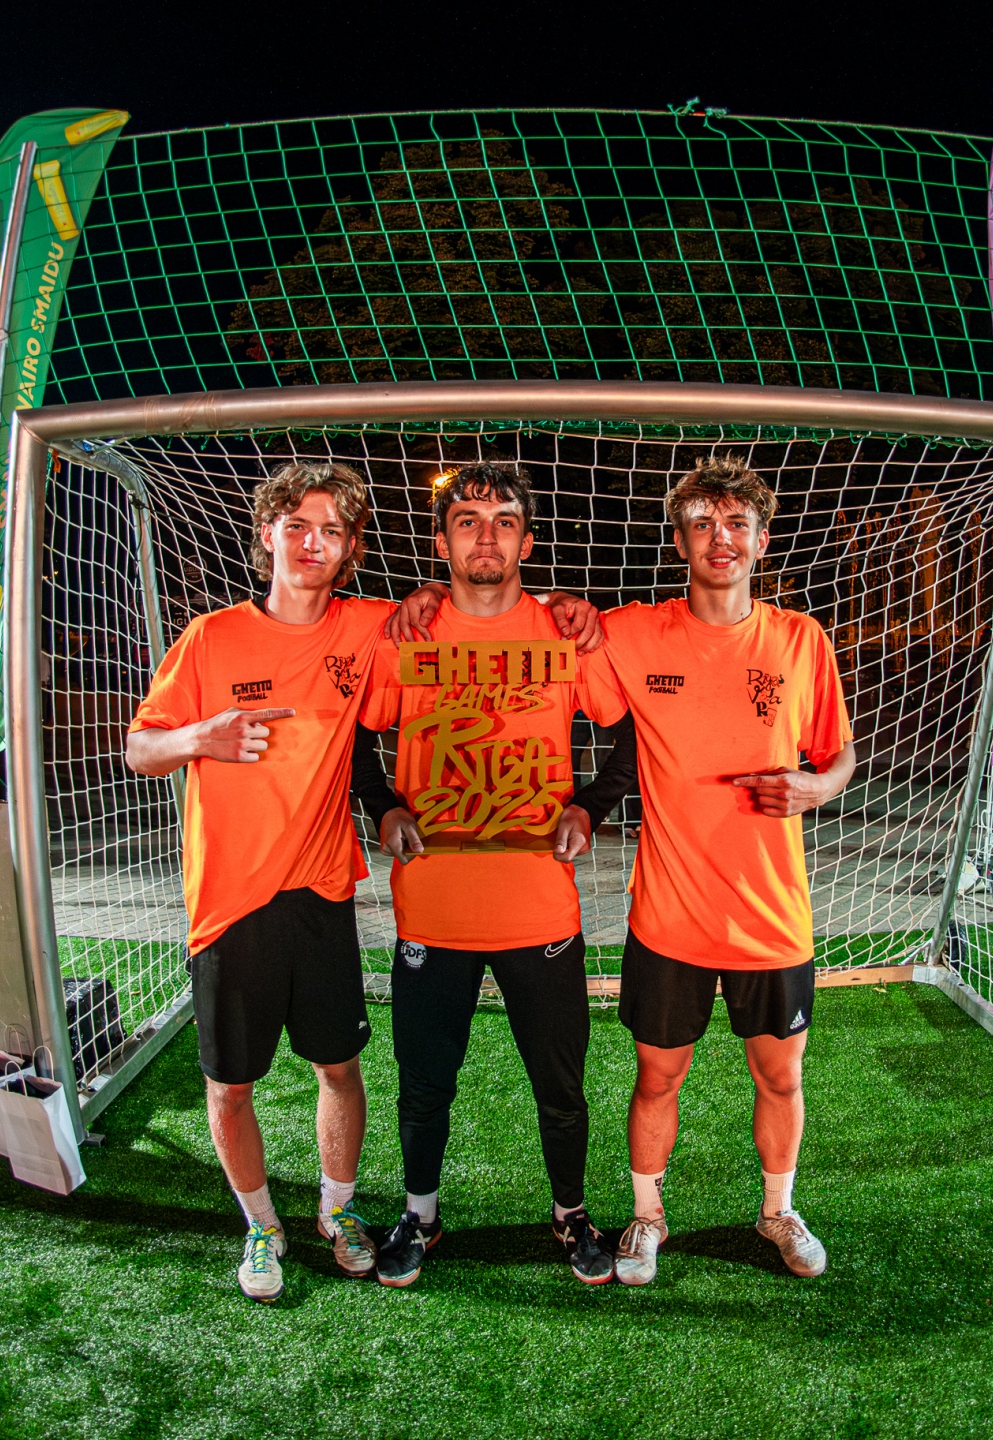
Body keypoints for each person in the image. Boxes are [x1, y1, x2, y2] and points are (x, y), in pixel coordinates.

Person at [354, 462, 633, 1288]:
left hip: (539, 908)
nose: (487, 535)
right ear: (441, 543)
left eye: (504, 521)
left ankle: (571, 1213)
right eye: (468, 521)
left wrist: (589, 806)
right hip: (431, 907)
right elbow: (353, 738)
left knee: (561, 1086)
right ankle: (420, 1215)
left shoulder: (565, 632)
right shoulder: (404, 634)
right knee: (424, 1084)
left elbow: (632, 734)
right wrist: (383, 806)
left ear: (527, 542)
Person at [582, 456, 856, 1285]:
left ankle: (777, 1211)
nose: (720, 537)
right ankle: (647, 1216)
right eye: (702, 523)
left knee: (780, 1074)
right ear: (680, 542)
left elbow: (838, 756)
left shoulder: (800, 640)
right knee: (657, 1076)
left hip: (772, 917)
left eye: (737, 523)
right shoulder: (632, 633)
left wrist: (816, 787)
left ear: (762, 541)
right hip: (670, 916)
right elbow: (562, 660)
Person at [123, 461, 393, 1304]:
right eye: (298, 524)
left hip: (320, 893)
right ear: (268, 532)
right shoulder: (210, 638)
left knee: (338, 1067)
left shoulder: (369, 629)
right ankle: (261, 1225)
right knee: (229, 1084)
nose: (313, 542)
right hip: (229, 900)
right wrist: (199, 737)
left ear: (350, 550)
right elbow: (139, 749)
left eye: (332, 531)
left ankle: (337, 1210)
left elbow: (449, 617)